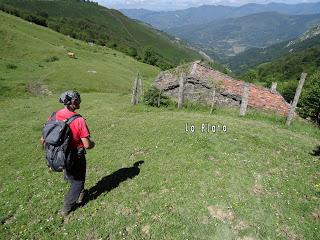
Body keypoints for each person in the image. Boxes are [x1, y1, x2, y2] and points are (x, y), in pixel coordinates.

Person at [41, 90, 95, 216]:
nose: (80, 101)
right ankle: (67, 207)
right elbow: (87, 144)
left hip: (60, 155)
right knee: (79, 180)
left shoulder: (53, 115)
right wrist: (93, 144)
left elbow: (43, 138)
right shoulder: (79, 120)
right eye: (79, 99)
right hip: (76, 156)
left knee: (71, 175)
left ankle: (80, 193)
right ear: (74, 102)